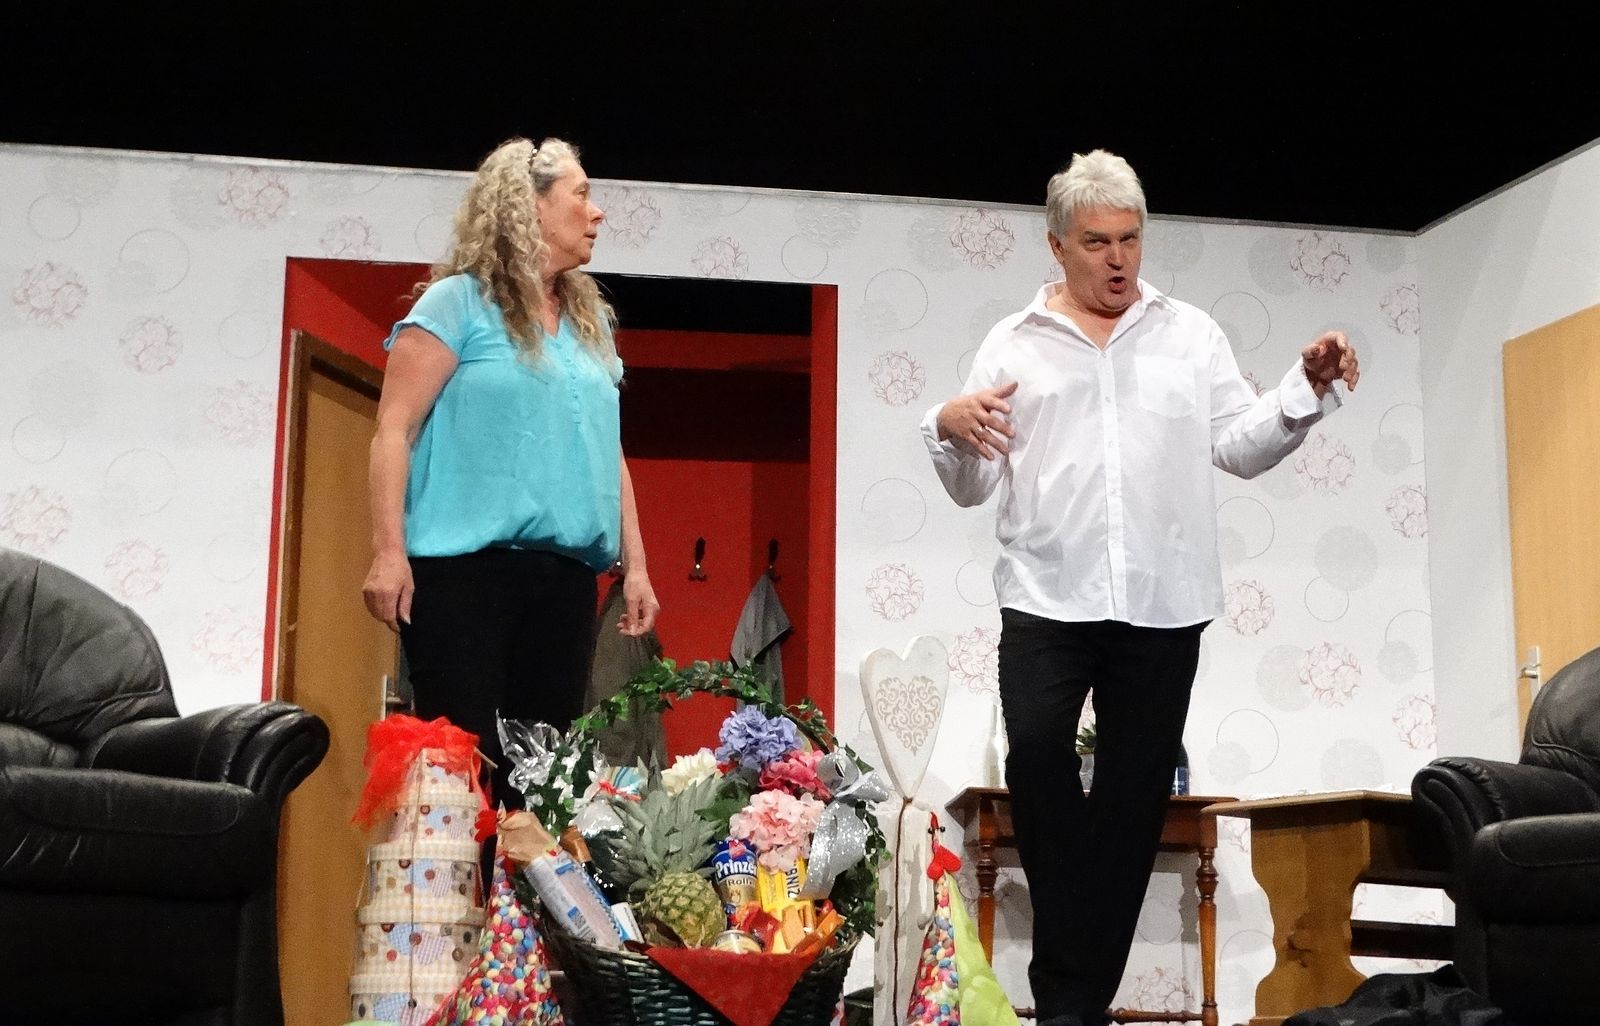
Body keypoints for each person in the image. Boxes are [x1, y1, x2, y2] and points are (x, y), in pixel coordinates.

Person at [921, 150, 1358, 1026]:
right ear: (1057, 246)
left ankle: (1069, 1007)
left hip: (1163, 602)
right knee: (1036, 755)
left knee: (1131, 803)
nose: (1118, 259)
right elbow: (973, 485)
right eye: (1097, 243)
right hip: (1046, 595)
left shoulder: (1188, 334)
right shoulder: (1013, 343)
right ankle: (1073, 996)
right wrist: (946, 427)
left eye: (1130, 239)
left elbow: (1239, 444)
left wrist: (1303, 390)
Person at [363, 137, 659, 812]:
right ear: (531, 206)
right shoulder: (456, 305)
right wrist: (387, 551)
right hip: (462, 576)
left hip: (563, 580)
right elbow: (393, 430)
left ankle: (525, 888)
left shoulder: (589, 322)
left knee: (543, 780)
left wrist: (636, 566)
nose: (597, 212)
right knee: (461, 770)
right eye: (581, 195)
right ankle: (454, 884)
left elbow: (609, 450)